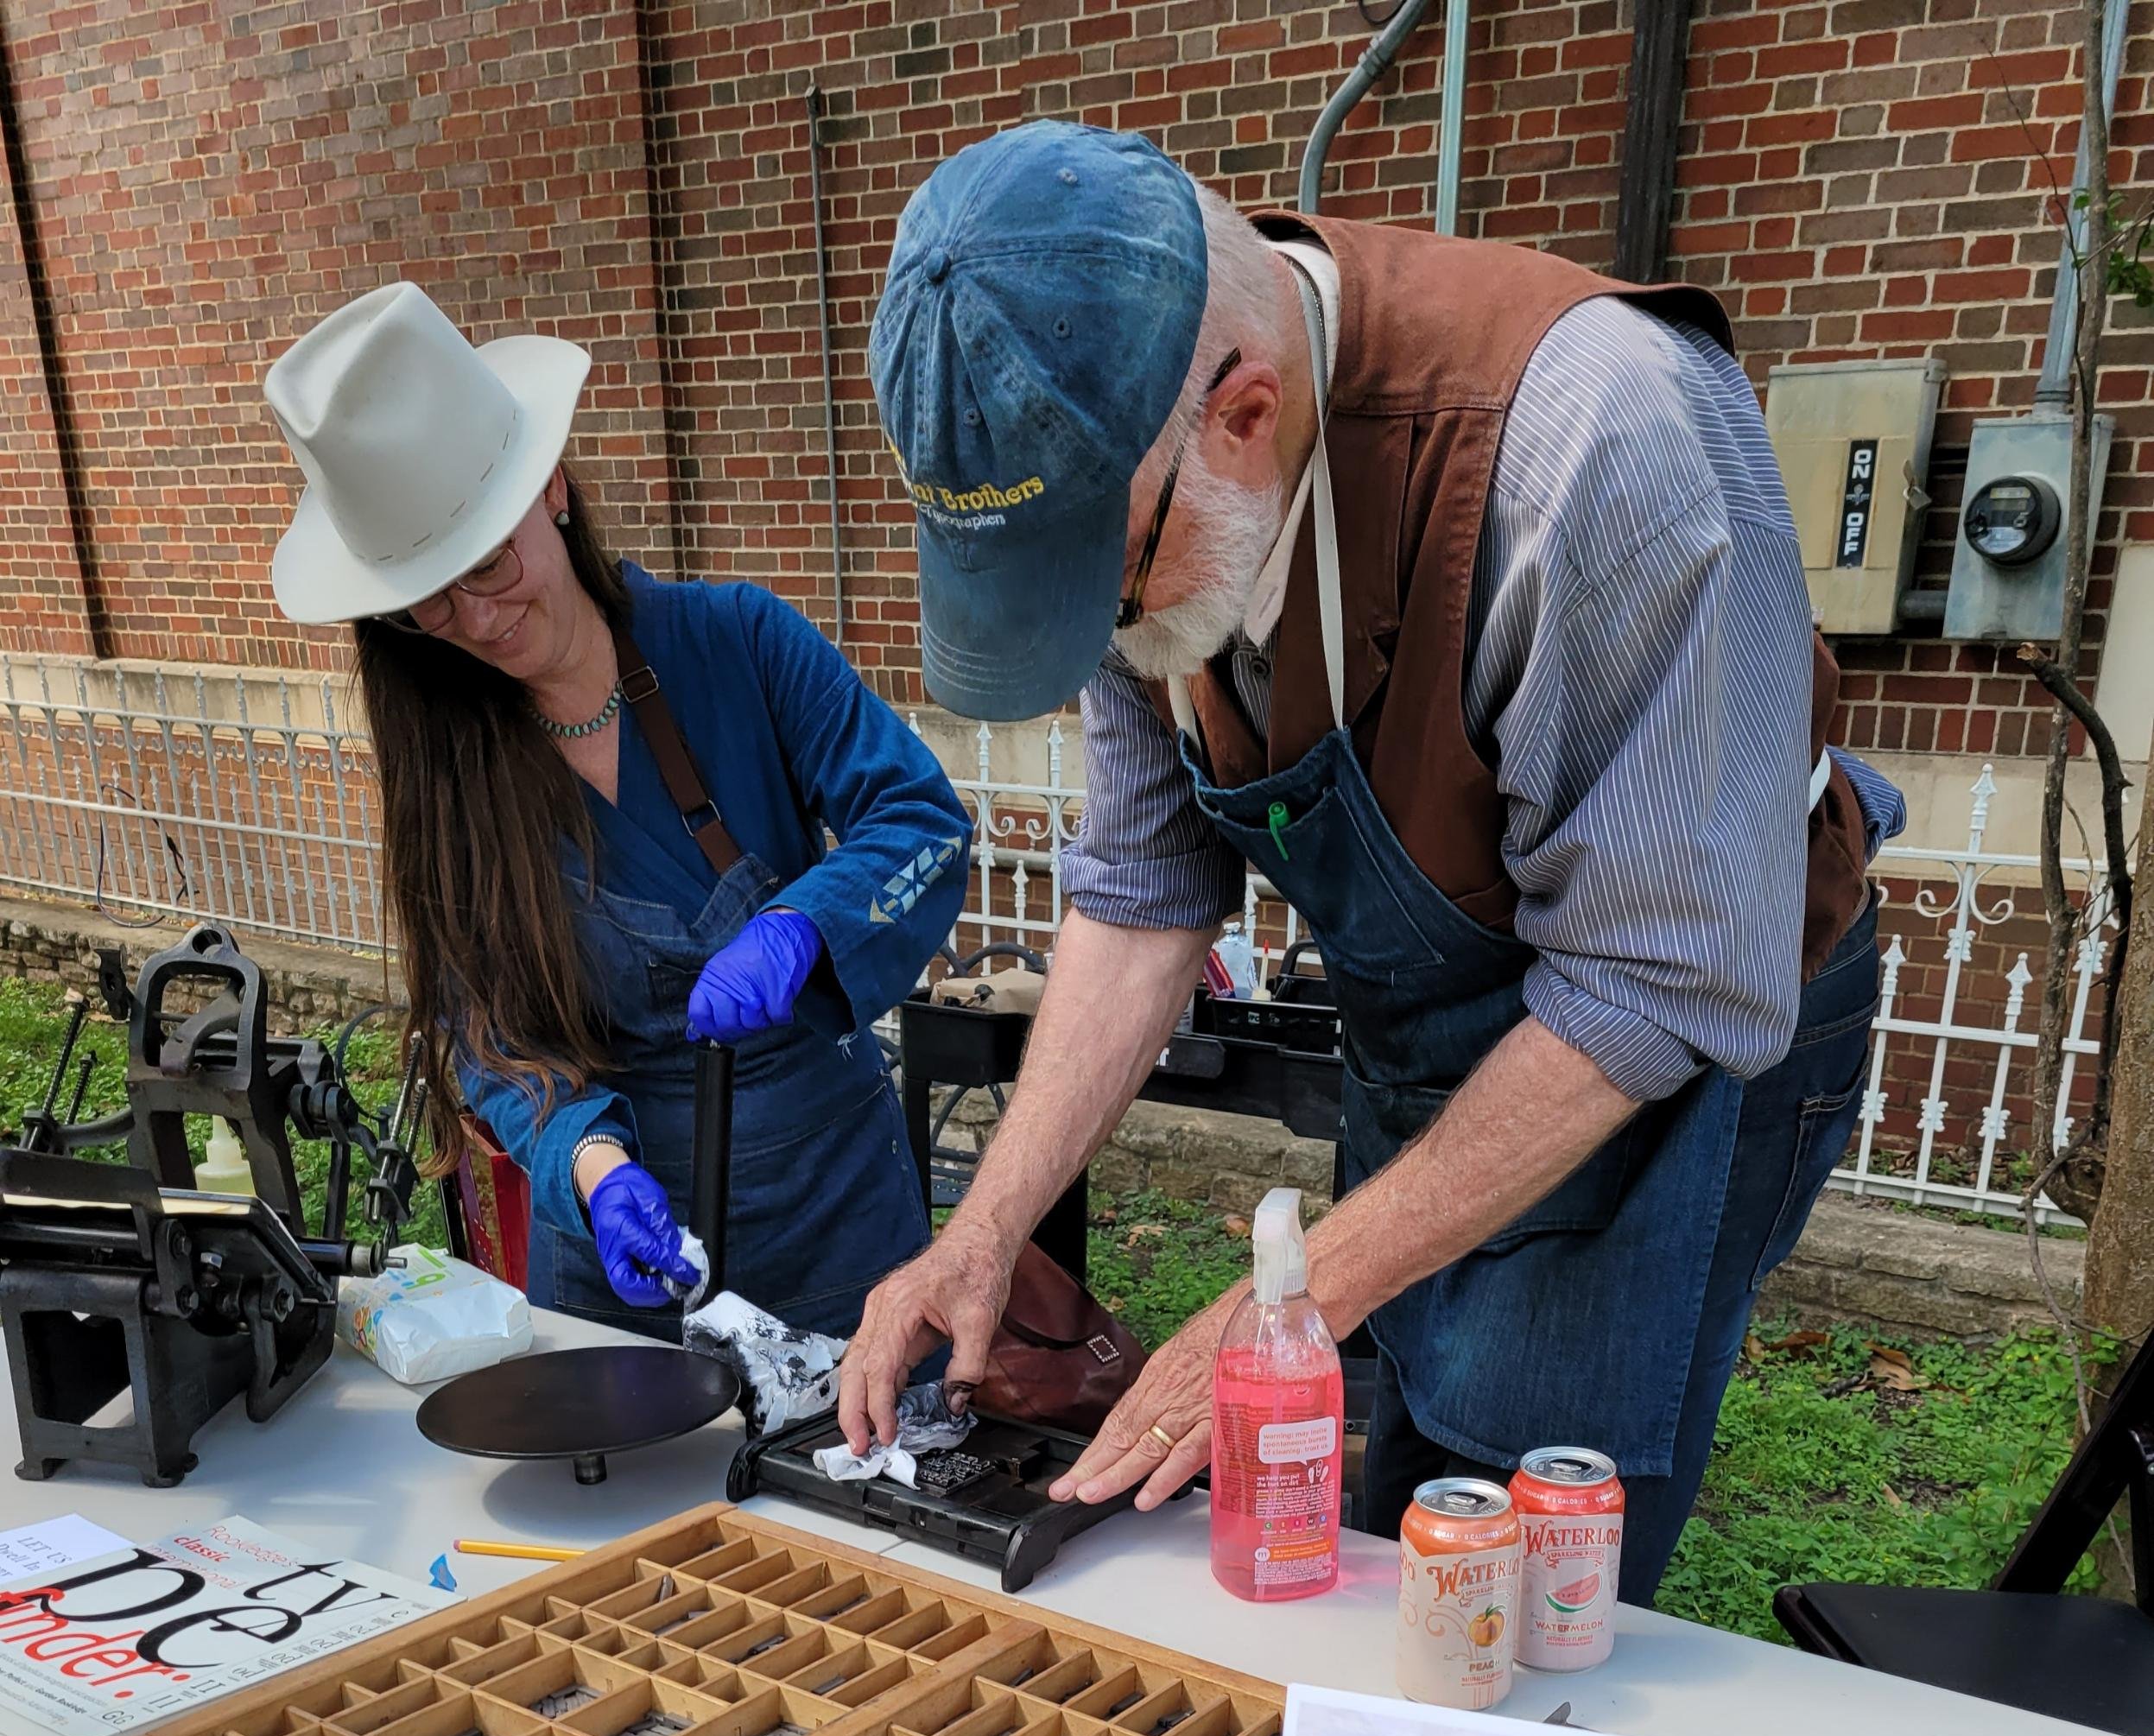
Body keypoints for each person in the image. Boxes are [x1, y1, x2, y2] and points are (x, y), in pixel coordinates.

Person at [845, 124, 1905, 1599]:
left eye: (1111, 590)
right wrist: (984, 1226)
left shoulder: (1596, 442)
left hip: (1678, 994)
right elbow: (1148, 886)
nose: (1104, 636)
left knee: (1525, 1509)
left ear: (1243, 414)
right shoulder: (1133, 485)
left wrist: (1284, 1303)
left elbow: (1654, 980)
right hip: (1447, 1008)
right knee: (1400, 1424)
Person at [263, 281, 967, 1338]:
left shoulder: (741, 641)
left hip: (837, 1220)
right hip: (617, 1250)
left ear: (551, 488)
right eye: (429, 602)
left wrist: (800, 928)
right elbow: (483, 1030)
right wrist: (591, 1169)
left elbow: (919, 818)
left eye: (489, 563)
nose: (478, 620)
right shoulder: (451, 769)